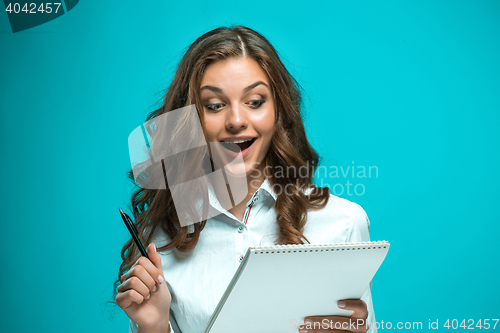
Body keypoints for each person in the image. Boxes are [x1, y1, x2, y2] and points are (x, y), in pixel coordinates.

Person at [113, 25, 376, 333]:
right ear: (191, 118)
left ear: (278, 110)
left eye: (255, 101)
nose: (236, 121)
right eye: (214, 106)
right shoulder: (160, 239)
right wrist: (154, 327)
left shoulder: (343, 223)